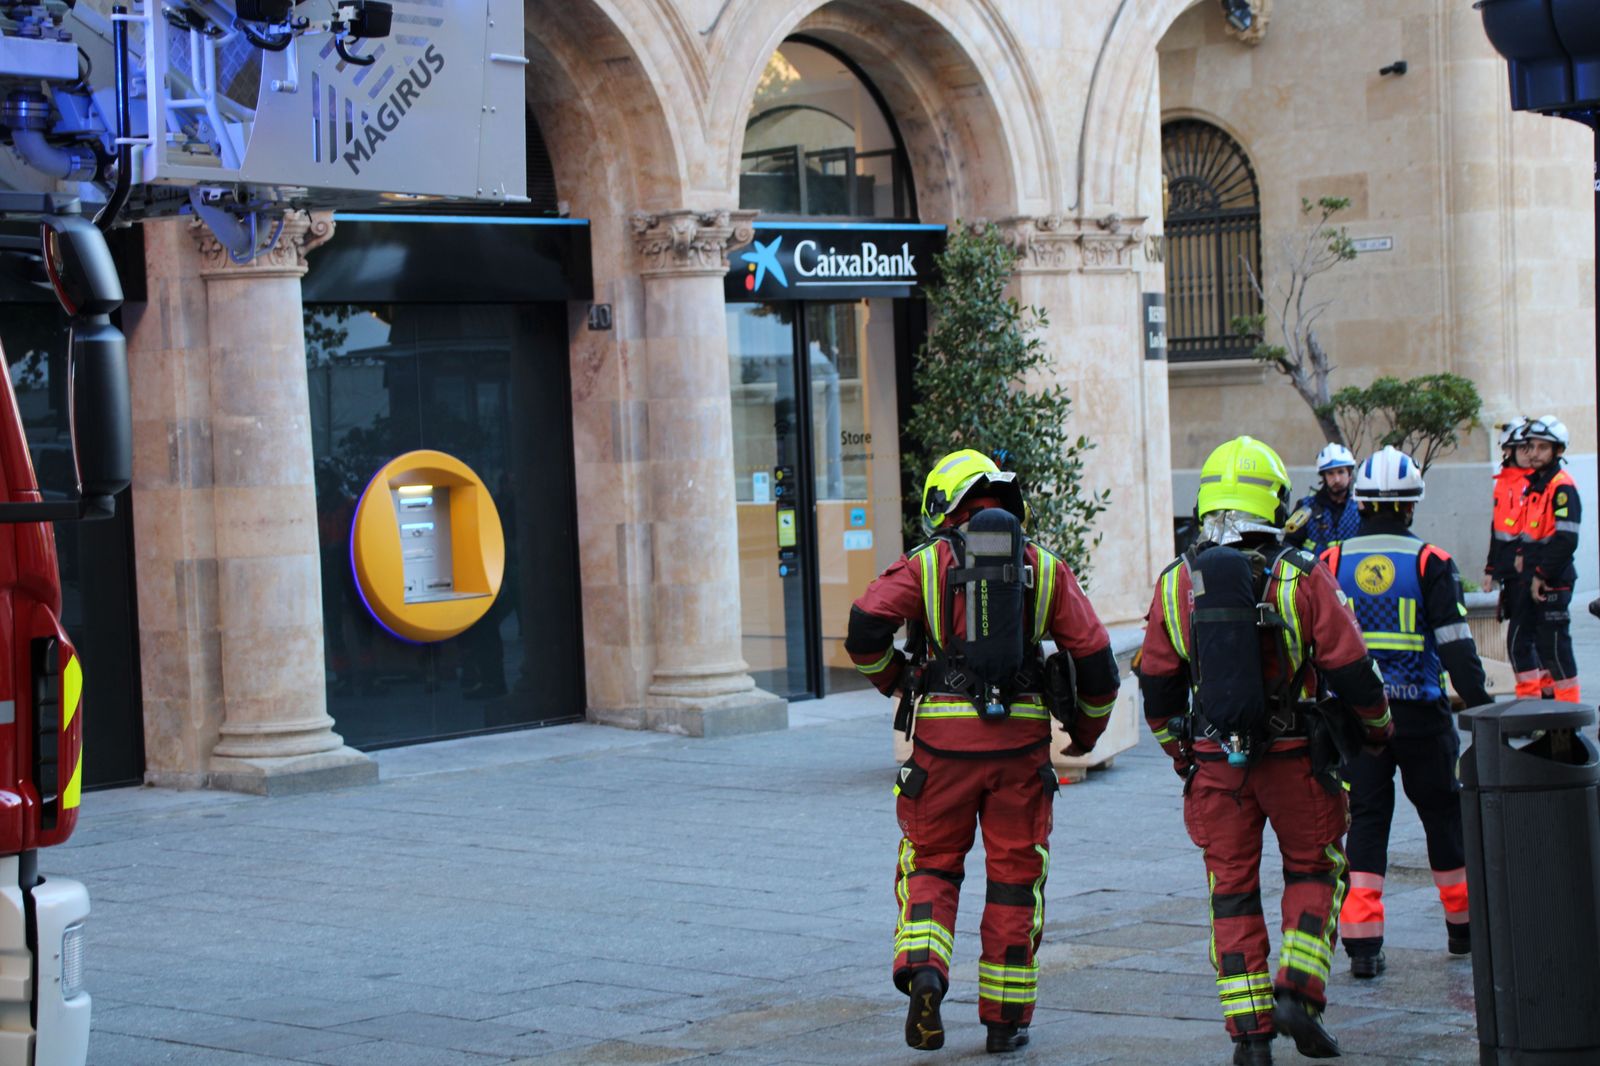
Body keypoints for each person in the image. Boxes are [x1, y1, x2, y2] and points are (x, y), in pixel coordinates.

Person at [845, 449, 1120, 1055]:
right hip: (1021, 753)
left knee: (932, 864)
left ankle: (925, 971)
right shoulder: (1044, 568)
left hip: (941, 753)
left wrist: (897, 680)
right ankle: (1004, 1021)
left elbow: (863, 628)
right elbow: (1098, 664)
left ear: (947, 505)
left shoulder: (926, 563)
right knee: (1016, 880)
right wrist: (1085, 734)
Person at [1138, 436, 1392, 1065]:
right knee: (1314, 871)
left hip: (1216, 766)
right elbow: (1353, 669)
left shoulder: (1177, 582)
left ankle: (1249, 1038)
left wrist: (1184, 756)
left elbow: (1158, 690)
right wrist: (1378, 728)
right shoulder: (1301, 574)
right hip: (1297, 758)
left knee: (1231, 893)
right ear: (1274, 501)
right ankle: (1297, 992)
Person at [1322, 447, 1492, 978]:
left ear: (1361, 502)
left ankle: (1362, 946)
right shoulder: (1431, 562)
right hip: (1422, 717)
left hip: (1358, 720)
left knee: (1366, 820)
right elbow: (1457, 645)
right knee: (1443, 816)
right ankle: (1462, 930)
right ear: (1411, 504)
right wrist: (1483, 708)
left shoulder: (1331, 561)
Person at [1510, 416, 1581, 702]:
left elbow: (1567, 540)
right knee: (1519, 643)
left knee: (1554, 650)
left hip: (1553, 579)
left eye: (1542, 447)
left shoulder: (1562, 487)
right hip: (1530, 577)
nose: (1534, 453)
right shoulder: (1536, 484)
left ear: (1558, 450)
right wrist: (1520, 556)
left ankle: (1567, 715)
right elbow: (1531, 530)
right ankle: (1530, 708)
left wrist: (1541, 574)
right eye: (1531, 447)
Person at [1287, 443, 1361, 553]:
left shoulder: (1360, 507)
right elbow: (1289, 546)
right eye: (1330, 473)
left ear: (1349, 475)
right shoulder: (1305, 507)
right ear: (1324, 477)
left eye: (1341, 472)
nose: (1336, 479)